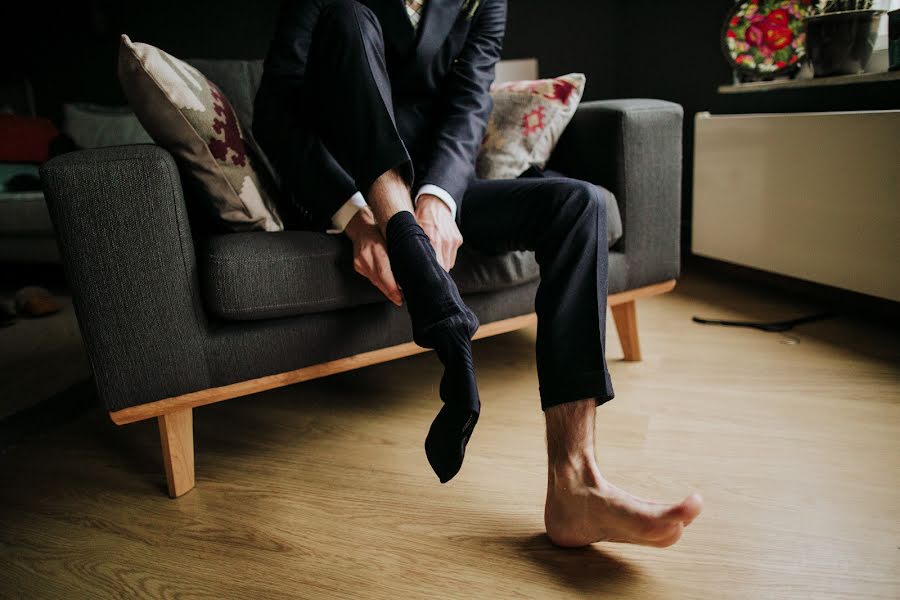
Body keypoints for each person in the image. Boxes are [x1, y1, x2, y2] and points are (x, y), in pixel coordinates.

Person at [253, 0, 703, 548]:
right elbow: (276, 110)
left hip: (430, 187)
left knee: (579, 205)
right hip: (342, 188)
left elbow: (467, 104)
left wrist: (439, 200)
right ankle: (409, 249)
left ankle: (575, 484)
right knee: (349, 16)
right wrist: (356, 218)